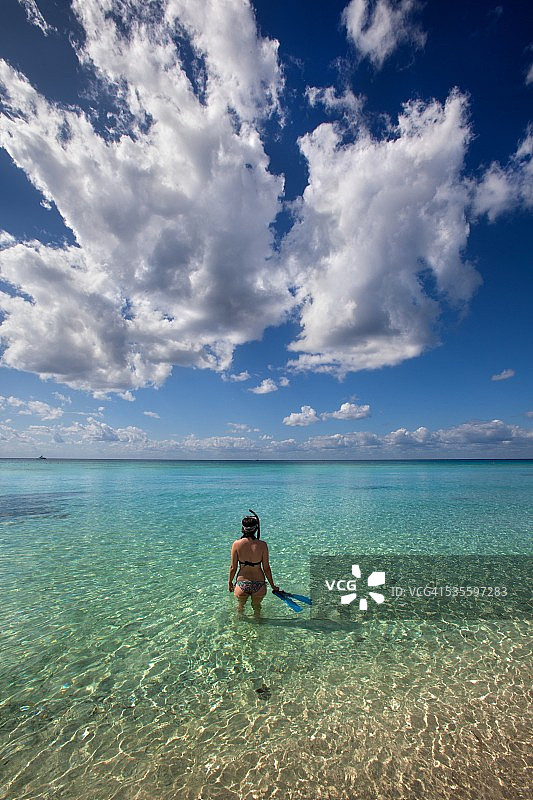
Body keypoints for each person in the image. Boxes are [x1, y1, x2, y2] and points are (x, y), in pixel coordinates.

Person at [228, 510, 279, 613]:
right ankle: (258, 627)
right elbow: (266, 568)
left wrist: (230, 582)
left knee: (240, 609)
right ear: (256, 529)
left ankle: (235, 628)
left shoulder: (236, 544)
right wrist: (273, 585)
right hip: (259, 584)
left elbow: (233, 567)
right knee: (257, 610)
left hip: (242, 583)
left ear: (243, 529)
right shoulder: (263, 545)